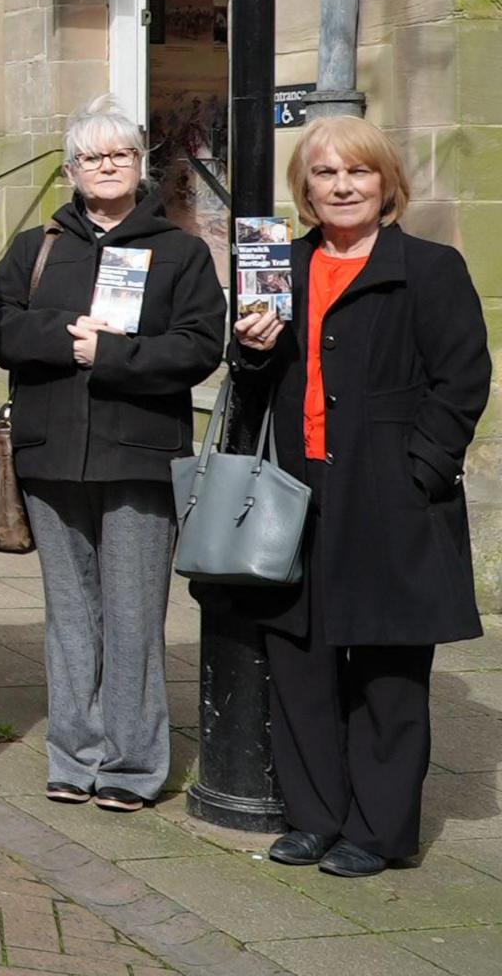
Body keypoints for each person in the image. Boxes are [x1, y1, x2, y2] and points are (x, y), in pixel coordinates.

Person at [230, 115, 487, 878]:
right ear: (303, 190)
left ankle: (377, 831)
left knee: (386, 669)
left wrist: (420, 472)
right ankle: (314, 817)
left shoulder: (429, 268)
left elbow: (462, 381)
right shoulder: (280, 265)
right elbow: (250, 388)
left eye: (358, 173)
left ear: (386, 184)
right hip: (297, 490)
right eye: (324, 174)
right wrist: (249, 351)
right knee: (300, 658)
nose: (341, 187)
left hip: (391, 493)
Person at [0, 98, 225, 812]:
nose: (106, 166)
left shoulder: (176, 250)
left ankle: (133, 763)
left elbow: (201, 344)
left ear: (139, 164)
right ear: (71, 169)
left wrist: (111, 354)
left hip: (139, 456)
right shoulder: (38, 245)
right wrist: (64, 339)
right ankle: (74, 755)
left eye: (119, 154)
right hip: (52, 452)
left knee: (135, 614)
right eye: (91, 157)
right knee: (71, 613)